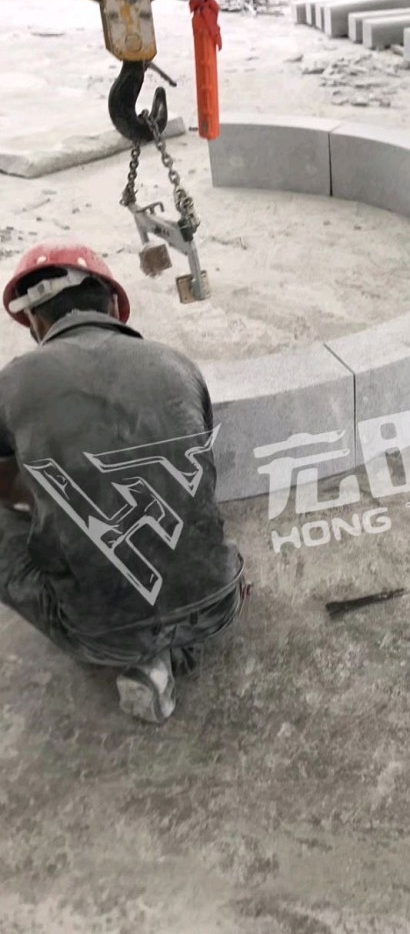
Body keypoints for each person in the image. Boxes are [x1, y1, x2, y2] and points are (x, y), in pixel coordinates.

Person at [0, 239, 246, 724]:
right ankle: (174, 644)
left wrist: (52, 489)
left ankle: (145, 652)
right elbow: (199, 477)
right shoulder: (177, 363)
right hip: (220, 599)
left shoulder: (13, 383)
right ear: (113, 305)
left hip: (99, 632)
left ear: (35, 323)